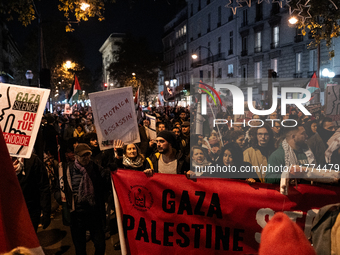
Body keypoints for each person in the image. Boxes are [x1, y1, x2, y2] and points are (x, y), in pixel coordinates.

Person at [66, 143, 110, 255]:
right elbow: (61, 188)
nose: (86, 158)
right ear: (76, 156)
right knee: (80, 247)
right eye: (83, 155)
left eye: (88, 155)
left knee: (100, 244)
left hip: (94, 212)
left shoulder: (96, 168)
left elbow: (107, 181)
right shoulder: (68, 170)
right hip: (77, 215)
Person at [13, 154, 51, 232]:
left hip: (31, 210)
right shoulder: (4, 162)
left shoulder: (32, 160)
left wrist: (46, 211)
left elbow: (43, 186)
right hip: (11, 212)